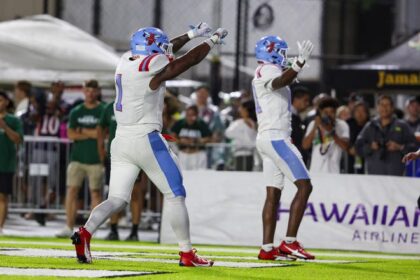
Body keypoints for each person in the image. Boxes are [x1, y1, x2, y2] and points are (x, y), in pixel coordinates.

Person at [71, 23, 228, 266]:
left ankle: (85, 233)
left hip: (121, 140)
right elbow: (185, 62)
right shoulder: (151, 67)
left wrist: (190, 35)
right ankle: (187, 253)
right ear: (152, 50)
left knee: (116, 199)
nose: (166, 50)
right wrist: (212, 41)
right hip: (146, 138)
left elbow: (168, 50)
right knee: (175, 194)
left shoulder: (126, 60)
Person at [252, 36, 315, 260]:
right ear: (272, 52)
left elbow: (284, 80)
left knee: (273, 195)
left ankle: (267, 248)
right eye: (282, 53)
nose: (284, 57)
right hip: (276, 138)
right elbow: (278, 82)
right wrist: (298, 64)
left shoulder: (265, 69)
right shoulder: (268, 69)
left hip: (268, 137)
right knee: (305, 186)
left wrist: (294, 68)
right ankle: (289, 242)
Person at [56, 80, 105, 237]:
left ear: (97, 92)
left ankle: (92, 229)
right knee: (71, 191)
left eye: (93, 90)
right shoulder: (76, 111)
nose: (90, 93)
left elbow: (105, 134)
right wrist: (93, 133)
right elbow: (71, 134)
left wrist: (83, 131)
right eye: (87, 90)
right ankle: (68, 226)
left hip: (96, 158)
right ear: (84, 91)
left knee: (95, 193)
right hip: (77, 158)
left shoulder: (103, 110)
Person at [98, 101, 147, 241]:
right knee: (114, 194)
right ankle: (113, 229)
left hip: (134, 155)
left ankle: (134, 232)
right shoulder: (110, 106)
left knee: (136, 193)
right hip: (115, 156)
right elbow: (100, 128)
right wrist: (101, 150)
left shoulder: (137, 105)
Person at [356, 95, 417, 176]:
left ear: (392, 108)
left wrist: (400, 147)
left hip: (396, 176)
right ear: (377, 107)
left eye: (387, 105)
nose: (384, 108)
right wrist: (370, 147)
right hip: (373, 177)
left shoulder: (402, 126)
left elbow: (415, 147)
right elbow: (358, 147)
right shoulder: (370, 126)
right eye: (382, 105)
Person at [302, 97, 350, 173]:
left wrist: (331, 131)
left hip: (334, 172)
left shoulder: (342, 125)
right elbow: (305, 146)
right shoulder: (313, 124)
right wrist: (315, 126)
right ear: (320, 113)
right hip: (315, 172)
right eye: (326, 112)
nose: (329, 115)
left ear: (335, 113)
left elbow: (345, 147)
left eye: (332, 112)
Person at [0, 91, 23, 235]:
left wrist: (4, 127)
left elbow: (18, 139)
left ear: (6, 102)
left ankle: (0, 227)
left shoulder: (13, 120)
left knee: (2, 196)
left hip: (5, 163)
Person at [171, 105, 211, 170]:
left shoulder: (201, 124)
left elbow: (208, 138)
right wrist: (180, 141)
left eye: (192, 115)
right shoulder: (180, 123)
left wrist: (197, 141)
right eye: (188, 115)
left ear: (197, 115)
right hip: (183, 154)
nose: (190, 117)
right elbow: (172, 136)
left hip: (197, 154)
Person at [225, 100, 257, 171]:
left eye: (241, 108)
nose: (239, 110)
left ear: (246, 110)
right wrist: (242, 137)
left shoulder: (254, 123)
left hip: (251, 154)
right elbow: (228, 133)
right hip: (239, 153)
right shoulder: (238, 123)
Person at [346, 101, 370, 174]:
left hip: (367, 158)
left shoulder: (371, 125)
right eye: (357, 111)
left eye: (363, 111)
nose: (360, 114)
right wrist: (349, 148)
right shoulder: (348, 124)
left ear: (367, 113)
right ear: (353, 113)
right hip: (349, 158)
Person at [290, 86, 311, 163]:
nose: (307, 103)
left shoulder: (296, 117)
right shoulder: (288, 117)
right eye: (305, 100)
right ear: (296, 99)